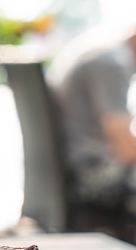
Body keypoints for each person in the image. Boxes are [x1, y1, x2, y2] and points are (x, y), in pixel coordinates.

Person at [47, 25, 136, 216]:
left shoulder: (99, 49)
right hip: (90, 175)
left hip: (69, 171)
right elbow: (127, 151)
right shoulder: (113, 64)